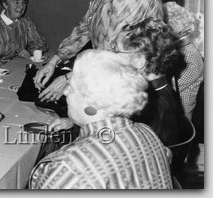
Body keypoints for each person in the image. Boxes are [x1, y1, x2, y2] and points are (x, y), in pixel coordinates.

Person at [34, 0, 163, 102]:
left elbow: (120, 55)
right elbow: (85, 27)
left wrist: (70, 78)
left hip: (138, 90)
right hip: (113, 80)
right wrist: (54, 61)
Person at [29, 49, 172, 189]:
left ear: (92, 103)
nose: (65, 92)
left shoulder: (67, 168)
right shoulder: (146, 133)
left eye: (71, 88)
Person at [112, 18, 190, 148]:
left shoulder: (146, 105)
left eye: (116, 51)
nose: (112, 55)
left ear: (139, 61)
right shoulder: (163, 89)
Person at [163, 1, 204, 120]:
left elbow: (169, 90)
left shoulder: (188, 55)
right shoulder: (182, 50)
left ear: (171, 28)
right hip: (170, 114)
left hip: (180, 122)